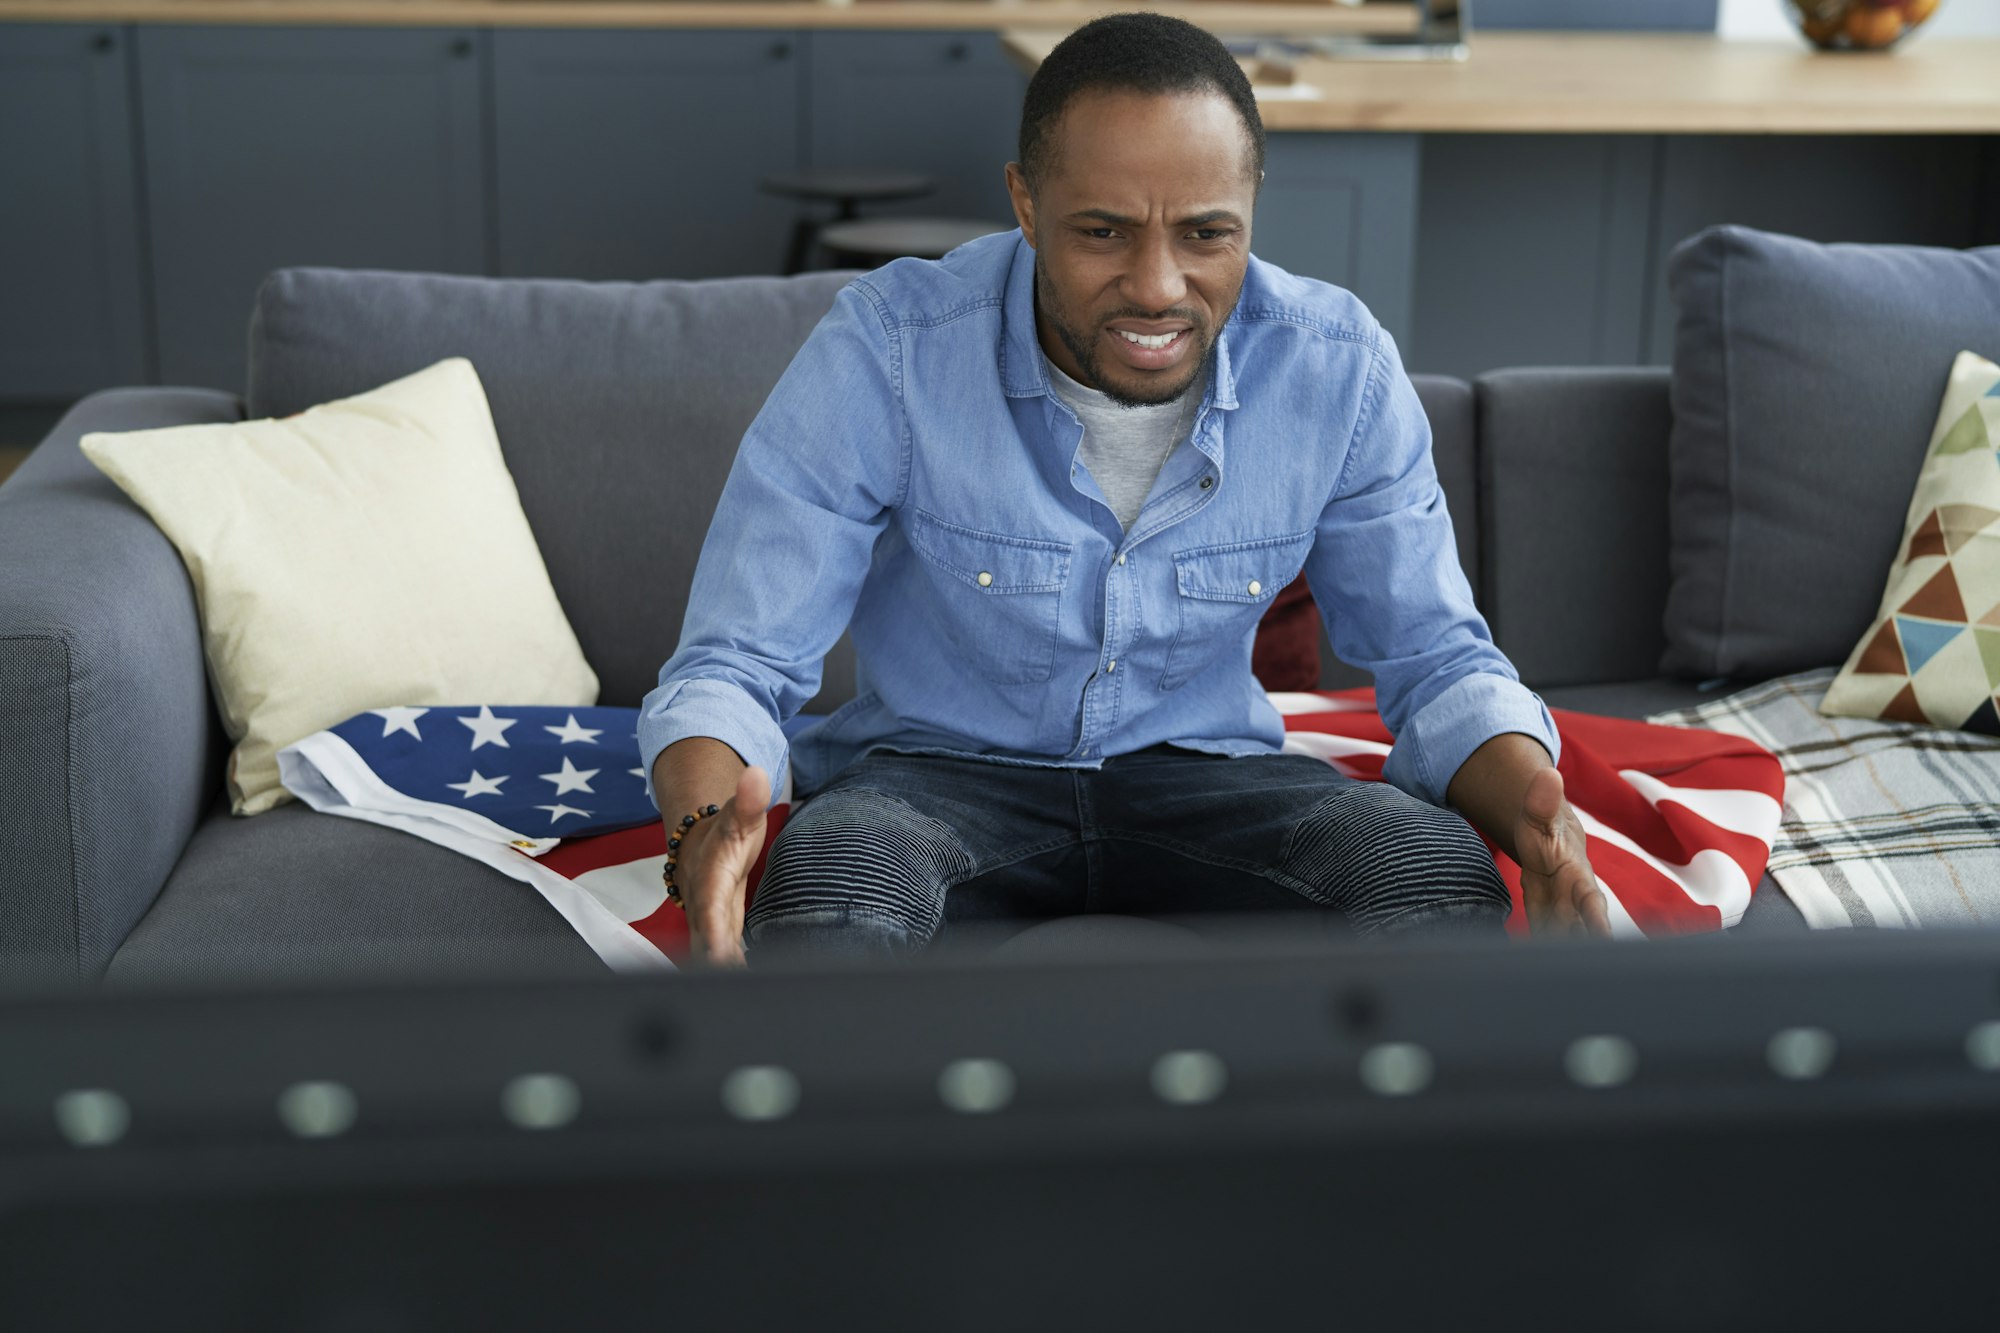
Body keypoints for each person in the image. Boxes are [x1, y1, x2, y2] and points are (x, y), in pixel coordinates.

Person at [640, 13, 1608, 967]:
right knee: (827, 892)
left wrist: (1536, 813)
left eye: (1204, 234)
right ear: (1024, 204)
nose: (1156, 285)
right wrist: (703, 831)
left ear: (1251, 208)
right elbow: (734, 663)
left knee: (1431, 873)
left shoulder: (1337, 369)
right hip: (926, 782)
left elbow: (1435, 660)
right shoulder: (888, 350)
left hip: (1211, 778)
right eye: (1102, 231)